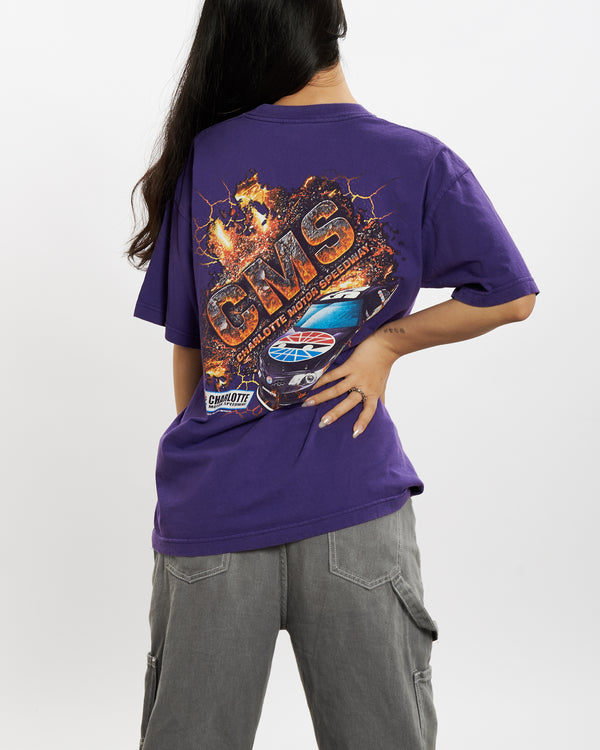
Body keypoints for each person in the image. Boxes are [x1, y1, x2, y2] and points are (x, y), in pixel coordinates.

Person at [126, 1, 540, 748]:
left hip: (215, 514)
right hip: (354, 503)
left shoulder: (207, 155)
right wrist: (386, 345)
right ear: (333, 26)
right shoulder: (418, 158)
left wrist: (215, 454)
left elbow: (190, 351)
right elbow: (510, 297)